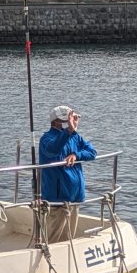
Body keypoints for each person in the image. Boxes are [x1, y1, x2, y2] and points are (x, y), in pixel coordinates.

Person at [38, 102, 96, 242]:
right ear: (58, 122)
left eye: (75, 119)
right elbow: (53, 149)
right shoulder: (47, 139)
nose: (75, 122)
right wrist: (68, 131)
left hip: (75, 196)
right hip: (57, 199)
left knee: (68, 237)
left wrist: (76, 155)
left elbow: (92, 152)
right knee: (53, 238)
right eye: (71, 119)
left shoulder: (75, 137)